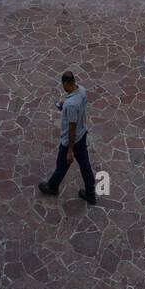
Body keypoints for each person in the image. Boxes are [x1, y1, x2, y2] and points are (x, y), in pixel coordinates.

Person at [38, 71, 96, 206]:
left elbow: (71, 128)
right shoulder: (81, 90)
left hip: (71, 141)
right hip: (82, 135)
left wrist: (70, 150)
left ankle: (52, 187)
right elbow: (76, 108)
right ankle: (91, 193)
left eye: (62, 84)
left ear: (65, 83)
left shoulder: (71, 105)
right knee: (85, 165)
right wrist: (63, 105)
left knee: (61, 165)